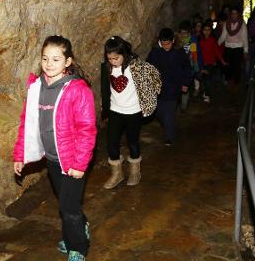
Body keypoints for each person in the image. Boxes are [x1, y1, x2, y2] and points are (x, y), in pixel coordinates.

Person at [12, 35, 96, 261]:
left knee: (68, 208)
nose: (49, 64)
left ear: (68, 62)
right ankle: (80, 227)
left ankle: (77, 247)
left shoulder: (77, 90)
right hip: (52, 158)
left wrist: (79, 164)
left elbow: (87, 129)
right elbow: (27, 122)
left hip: (72, 160)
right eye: (45, 59)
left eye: (56, 59)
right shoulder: (37, 86)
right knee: (68, 202)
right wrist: (20, 154)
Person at [102, 36, 161, 189]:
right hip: (115, 111)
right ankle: (117, 173)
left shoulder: (136, 67)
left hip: (133, 112)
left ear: (124, 54)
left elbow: (155, 76)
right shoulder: (106, 67)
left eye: (116, 58)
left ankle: (135, 171)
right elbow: (105, 89)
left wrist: (150, 96)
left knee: (132, 142)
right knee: (111, 143)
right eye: (110, 58)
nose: (113, 61)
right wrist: (105, 110)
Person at [147, 28, 191, 145]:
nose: (166, 46)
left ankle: (169, 138)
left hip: (174, 87)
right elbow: (148, 68)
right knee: (159, 113)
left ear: (173, 40)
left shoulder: (179, 52)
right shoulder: (155, 52)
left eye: (168, 43)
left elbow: (187, 67)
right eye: (163, 44)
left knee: (170, 114)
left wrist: (185, 83)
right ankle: (168, 127)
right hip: (159, 89)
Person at [218, 7, 248, 93]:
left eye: (236, 13)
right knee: (228, 66)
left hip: (238, 48)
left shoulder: (242, 23)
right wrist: (216, 44)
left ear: (238, 14)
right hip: (228, 48)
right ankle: (229, 82)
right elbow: (223, 36)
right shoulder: (227, 23)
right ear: (230, 14)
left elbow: (244, 38)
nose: (234, 15)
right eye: (232, 13)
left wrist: (245, 51)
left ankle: (236, 84)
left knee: (237, 67)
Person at [176, 20, 203, 106]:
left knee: (185, 85)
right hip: (179, 67)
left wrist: (196, 70)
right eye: (181, 32)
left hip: (188, 67)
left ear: (189, 33)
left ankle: (183, 105)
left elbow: (194, 56)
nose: (183, 35)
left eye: (185, 33)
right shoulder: (177, 40)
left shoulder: (193, 41)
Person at [198, 20, 227, 103]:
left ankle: (207, 95)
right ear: (202, 31)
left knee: (207, 79)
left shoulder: (213, 40)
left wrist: (222, 61)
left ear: (211, 31)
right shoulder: (199, 41)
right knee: (204, 79)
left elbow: (217, 52)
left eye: (208, 30)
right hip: (202, 63)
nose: (206, 32)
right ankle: (206, 92)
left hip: (211, 64)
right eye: (205, 30)